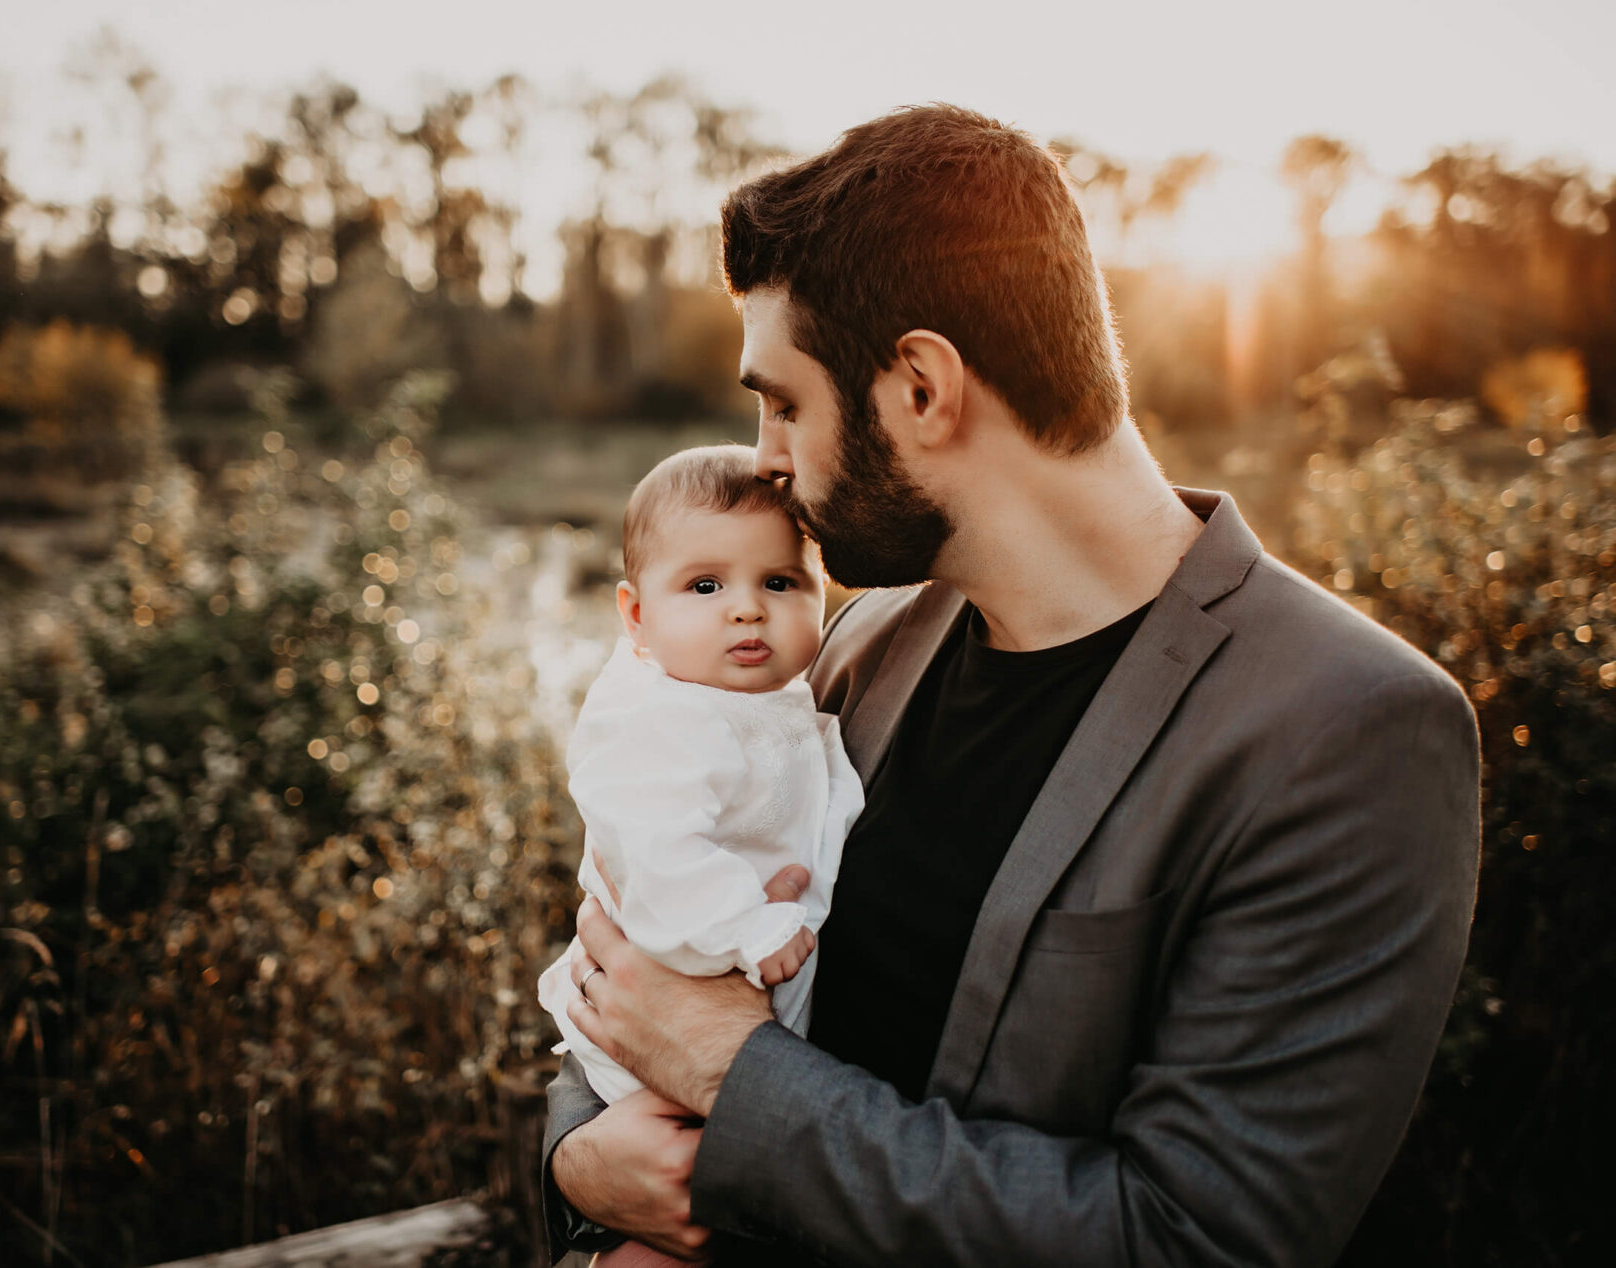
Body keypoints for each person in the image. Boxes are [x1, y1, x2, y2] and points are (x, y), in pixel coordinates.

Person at [540, 105, 1481, 1267]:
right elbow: (638, 964)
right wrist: (577, 1158)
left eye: (784, 400)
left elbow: (1194, 1239)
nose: (767, 456)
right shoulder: (853, 644)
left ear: (921, 388)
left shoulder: (1350, 730)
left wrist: (738, 1081)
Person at [536, 445, 863, 1268]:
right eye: (706, 586)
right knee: (672, 1234)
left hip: (742, 1036)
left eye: (780, 583)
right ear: (636, 615)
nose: (746, 610)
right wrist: (746, 926)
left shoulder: (765, 700)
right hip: (669, 1016)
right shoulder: (657, 722)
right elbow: (654, 854)